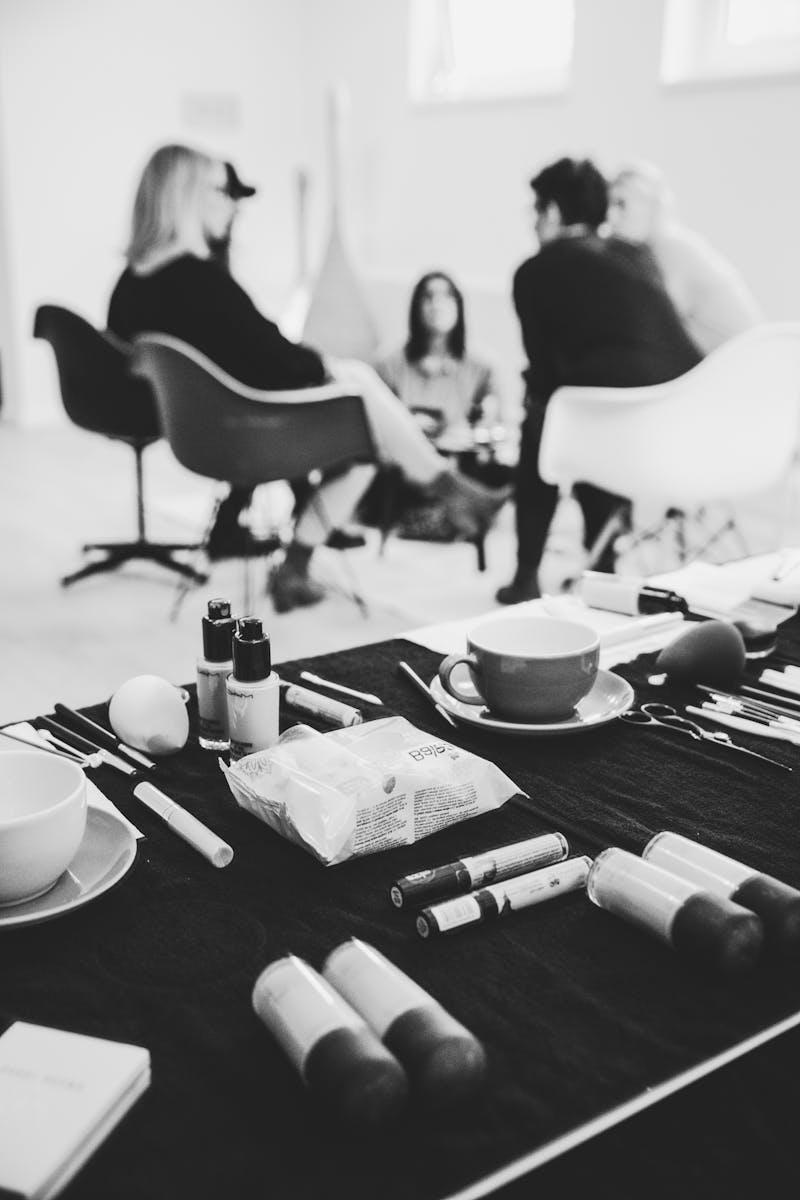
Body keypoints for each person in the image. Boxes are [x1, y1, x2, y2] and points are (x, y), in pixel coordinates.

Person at [108, 144, 509, 613]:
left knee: (358, 407)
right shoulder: (200, 280)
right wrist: (321, 367)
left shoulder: (131, 285)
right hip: (249, 434)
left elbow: (228, 356)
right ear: (188, 197)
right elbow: (274, 355)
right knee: (362, 420)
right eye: (221, 191)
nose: (233, 205)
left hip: (201, 436)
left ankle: (443, 494)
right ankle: (445, 492)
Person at [496, 156, 702, 605]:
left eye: (535, 212)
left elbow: (545, 372)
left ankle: (526, 573)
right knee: (591, 408)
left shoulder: (534, 271)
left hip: (609, 428)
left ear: (550, 212)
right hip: (681, 424)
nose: (533, 224)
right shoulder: (636, 255)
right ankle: (603, 562)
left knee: (545, 417)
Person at [607, 160, 761, 357]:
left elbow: (657, 325)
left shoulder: (672, 249)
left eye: (621, 204)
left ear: (651, 204)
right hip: (733, 363)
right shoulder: (665, 248)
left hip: (744, 364)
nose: (611, 217)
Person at [374, 271, 500, 442]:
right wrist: (406, 424)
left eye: (447, 296)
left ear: (459, 306)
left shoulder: (482, 366)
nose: (437, 304)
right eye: (428, 297)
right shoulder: (388, 363)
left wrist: (482, 423)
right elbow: (377, 423)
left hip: (461, 457)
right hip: (406, 454)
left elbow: (494, 426)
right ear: (416, 306)